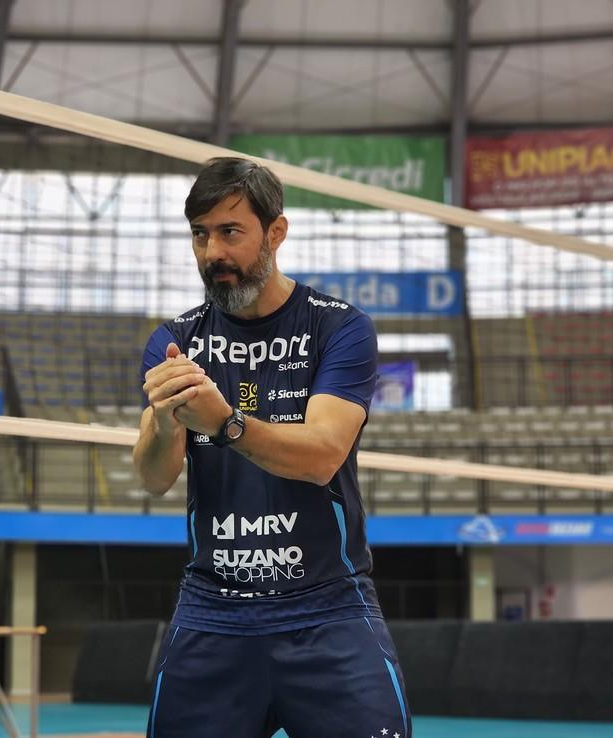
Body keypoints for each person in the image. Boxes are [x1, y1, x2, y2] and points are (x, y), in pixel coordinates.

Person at [134, 158, 411, 738]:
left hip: (326, 606)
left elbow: (322, 455)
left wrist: (225, 422)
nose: (213, 253)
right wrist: (163, 421)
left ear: (275, 232)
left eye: (230, 232)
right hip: (214, 607)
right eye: (200, 234)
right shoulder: (176, 341)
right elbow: (155, 476)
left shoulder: (339, 328)